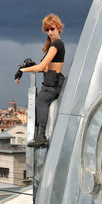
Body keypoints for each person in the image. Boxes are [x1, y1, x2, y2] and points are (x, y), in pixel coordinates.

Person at [15, 13, 65, 147]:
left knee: (41, 102)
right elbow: (45, 68)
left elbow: (42, 67)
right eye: (47, 30)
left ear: (58, 28)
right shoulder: (53, 45)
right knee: (39, 102)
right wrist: (30, 66)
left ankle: (41, 137)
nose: (49, 32)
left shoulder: (57, 44)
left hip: (53, 83)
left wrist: (23, 70)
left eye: (52, 29)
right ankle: (39, 135)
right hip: (50, 80)